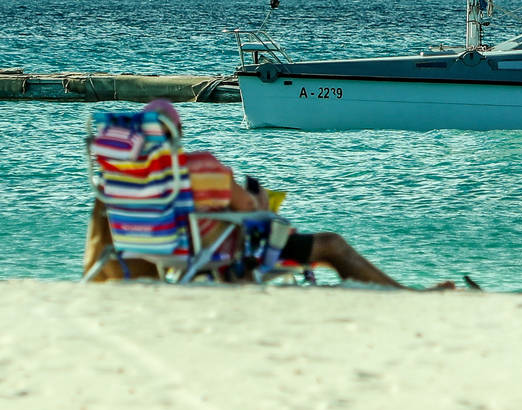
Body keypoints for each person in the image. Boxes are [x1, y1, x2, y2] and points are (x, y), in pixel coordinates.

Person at [82, 101, 452, 289]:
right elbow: (249, 213)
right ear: (177, 133)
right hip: (226, 258)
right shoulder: (201, 167)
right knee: (331, 245)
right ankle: (404, 293)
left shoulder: (119, 186)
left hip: (165, 258)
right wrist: (260, 199)